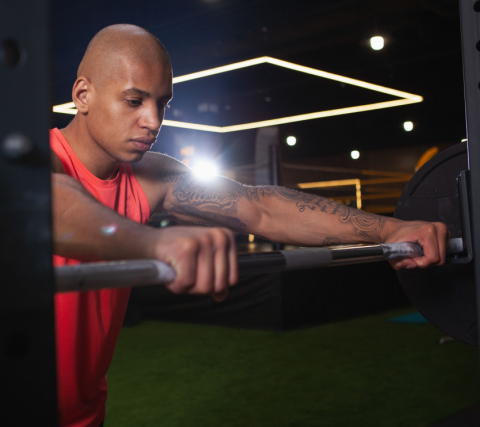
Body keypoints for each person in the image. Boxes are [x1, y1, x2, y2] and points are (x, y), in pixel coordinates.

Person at [50, 24, 448, 427]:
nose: (153, 121)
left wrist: (390, 230)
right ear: (83, 95)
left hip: (85, 416)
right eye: (134, 101)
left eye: (162, 103)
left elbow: (261, 208)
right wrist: (153, 244)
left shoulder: (150, 177)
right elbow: (54, 205)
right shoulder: (37, 162)